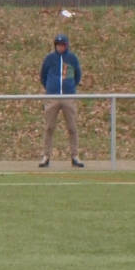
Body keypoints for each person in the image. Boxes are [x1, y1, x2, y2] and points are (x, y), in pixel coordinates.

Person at [39, 33, 84, 169]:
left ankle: (75, 156)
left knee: (72, 128)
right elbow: (43, 75)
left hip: (68, 97)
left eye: (62, 45)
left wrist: (69, 87)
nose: (60, 47)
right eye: (58, 45)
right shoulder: (49, 59)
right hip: (52, 97)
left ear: (66, 45)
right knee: (49, 127)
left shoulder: (72, 59)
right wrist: (50, 88)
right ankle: (46, 156)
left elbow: (77, 75)